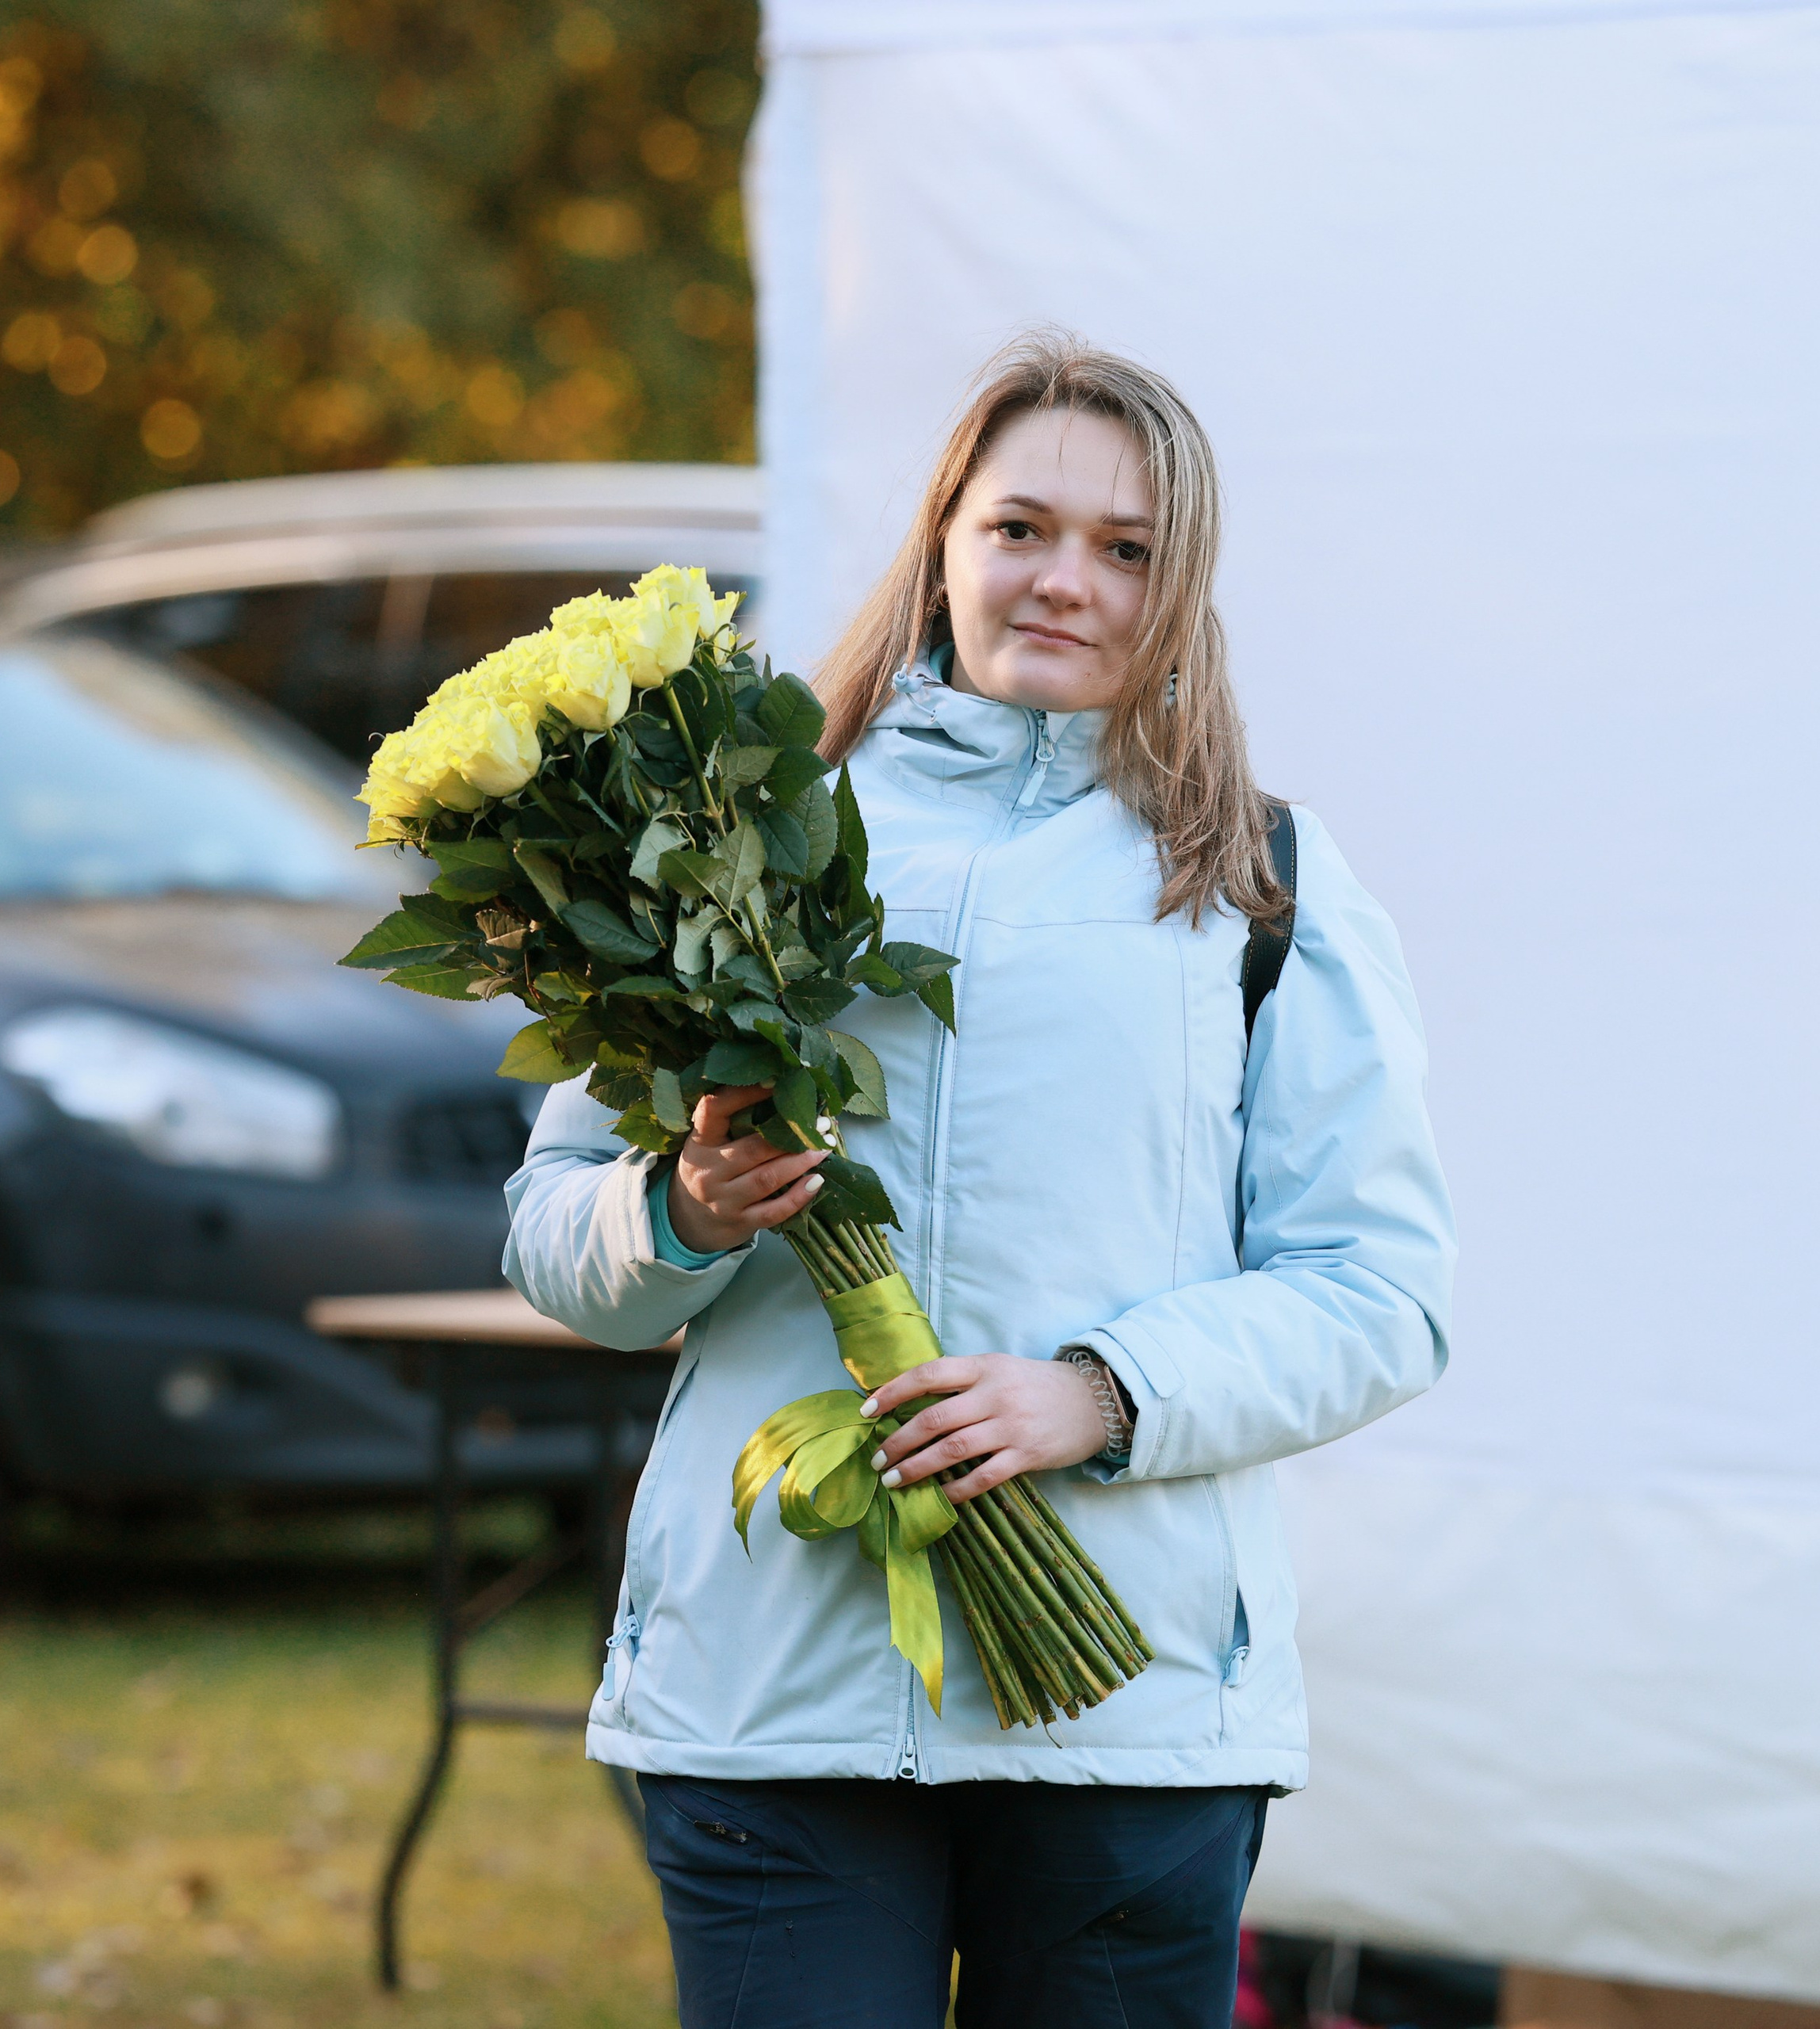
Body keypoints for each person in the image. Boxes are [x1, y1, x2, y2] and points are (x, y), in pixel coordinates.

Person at [503, 332, 1455, 2029]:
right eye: (1021, 526)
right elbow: (555, 1227)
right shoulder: (729, 838)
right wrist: (680, 1212)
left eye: (1126, 548)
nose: (1063, 579)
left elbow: (1377, 1296)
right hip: (770, 1680)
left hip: (1127, 1701)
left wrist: (1097, 1391)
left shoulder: (1260, 885)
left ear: (1180, 586)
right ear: (944, 533)